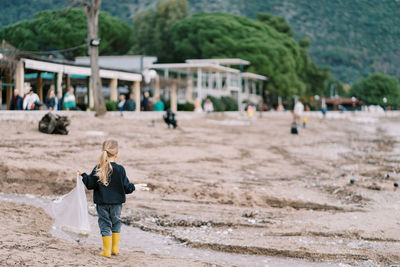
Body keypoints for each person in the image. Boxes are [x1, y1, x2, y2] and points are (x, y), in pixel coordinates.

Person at [77, 140, 135, 258]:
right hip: (117, 204)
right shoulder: (120, 169)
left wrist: (83, 175)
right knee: (116, 222)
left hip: (102, 203)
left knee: (105, 224)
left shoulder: (98, 168)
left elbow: (90, 184)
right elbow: (127, 188)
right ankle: (115, 249)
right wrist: (133, 187)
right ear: (116, 154)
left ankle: (107, 251)